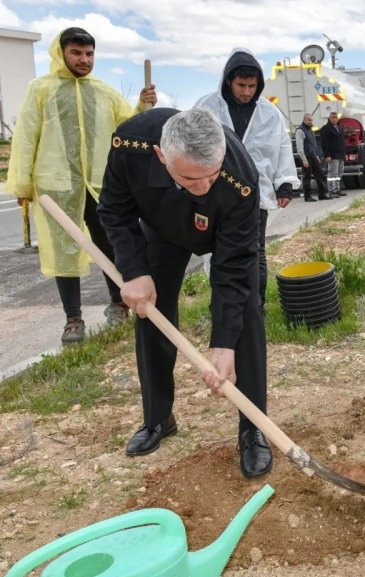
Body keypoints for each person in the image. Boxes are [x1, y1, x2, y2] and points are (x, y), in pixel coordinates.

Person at [97, 108, 273, 477]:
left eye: (212, 175)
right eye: (191, 179)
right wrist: (134, 271)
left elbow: (233, 269)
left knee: (247, 311)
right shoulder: (131, 145)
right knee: (150, 311)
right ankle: (158, 419)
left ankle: (253, 427)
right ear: (162, 157)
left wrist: (223, 343)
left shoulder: (239, 176)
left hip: (228, 234)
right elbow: (114, 209)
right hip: (163, 229)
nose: (204, 187)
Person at [4, 27, 157, 344]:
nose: (84, 59)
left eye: (89, 54)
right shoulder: (41, 89)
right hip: (56, 184)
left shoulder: (102, 91)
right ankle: (73, 318)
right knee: (64, 250)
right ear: (61, 53)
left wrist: (142, 107)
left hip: (100, 184)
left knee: (110, 243)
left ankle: (118, 303)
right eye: (77, 53)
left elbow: (125, 124)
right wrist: (21, 183)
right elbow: (26, 136)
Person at [194, 49, 299, 309]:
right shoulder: (206, 107)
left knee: (255, 252)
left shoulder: (269, 112)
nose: (246, 92)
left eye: (252, 86)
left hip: (254, 193)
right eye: (241, 85)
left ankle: (255, 306)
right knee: (219, 250)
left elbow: (282, 146)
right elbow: (190, 144)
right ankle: (221, 304)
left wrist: (284, 183)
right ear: (228, 80)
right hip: (215, 191)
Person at [295, 114, 334, 201]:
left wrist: (316, 156)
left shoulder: (310, 131)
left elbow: (313, 146)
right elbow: (299, 147)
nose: (310, 122)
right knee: (307, 178)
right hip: (306, 158)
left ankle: (322, 194)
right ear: (304, 120)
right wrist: (304, 160)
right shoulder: (300, 131)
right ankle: (308, 197)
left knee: (320, 176)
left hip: (313, 157)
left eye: (311, 120)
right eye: (309, 120)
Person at [319, 111, 348, 197]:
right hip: (332, 156)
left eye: (336, 117)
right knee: (332, 174)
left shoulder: (339, 128)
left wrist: (344, 154)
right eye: (333, 117)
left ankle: (337, 189)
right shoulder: (325, 128)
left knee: (339, 173)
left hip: (340, 155)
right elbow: (324, 143)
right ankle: (331, 191)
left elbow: (342, 142)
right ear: (329, 118)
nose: (334, 119)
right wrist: (327, 155)